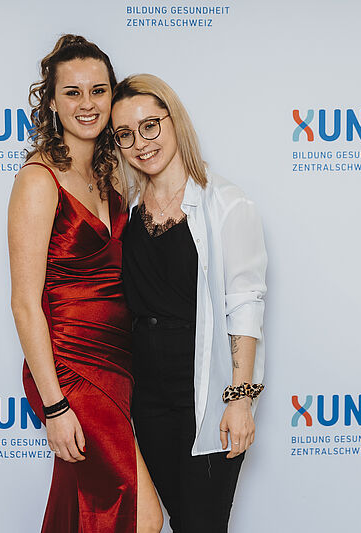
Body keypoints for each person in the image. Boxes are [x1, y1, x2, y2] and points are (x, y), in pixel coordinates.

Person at [8, 36, 162, 533]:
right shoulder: (39, 180)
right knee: (142, 517)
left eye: (98, 90)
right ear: (52, 102)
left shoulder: (110, 173)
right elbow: (24, 304)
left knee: (83, 508)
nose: (87, 104)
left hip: (115, 362)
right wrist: (55, 406)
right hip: (70, 368)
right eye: (72, 92)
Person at [111, 74, 268, 533]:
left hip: (205, 395)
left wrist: (239, 400)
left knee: (203, 524)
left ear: (174, 120)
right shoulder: (126, 210)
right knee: (182, 521)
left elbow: (245, 306)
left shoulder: (228, 204)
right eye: (125, 134)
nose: (141, 143)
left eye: (150, 125)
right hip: (147, 399)